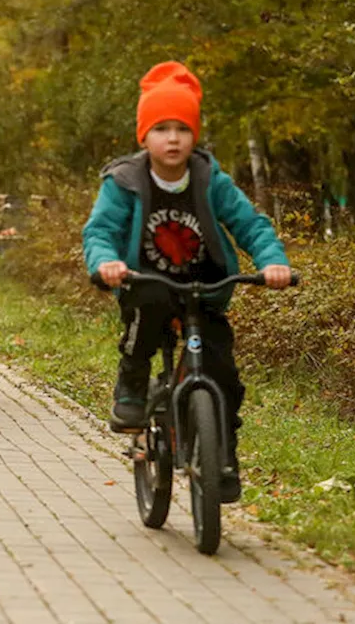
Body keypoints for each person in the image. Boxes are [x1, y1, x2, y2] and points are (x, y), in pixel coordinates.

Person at [82, 61, 291, 503]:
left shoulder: (209, 178)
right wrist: (106, 264)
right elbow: (100, 231)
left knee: (225, 378)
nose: (172, 138)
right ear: (144, 136)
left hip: (205, 287)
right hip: (146, 282)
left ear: (194, 134)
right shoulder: (125, 180)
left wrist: (273, 263)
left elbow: (250, 224)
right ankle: (133, 382)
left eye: (182, 128)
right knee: (149, 303)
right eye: (161, 129)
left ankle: (223, 459)